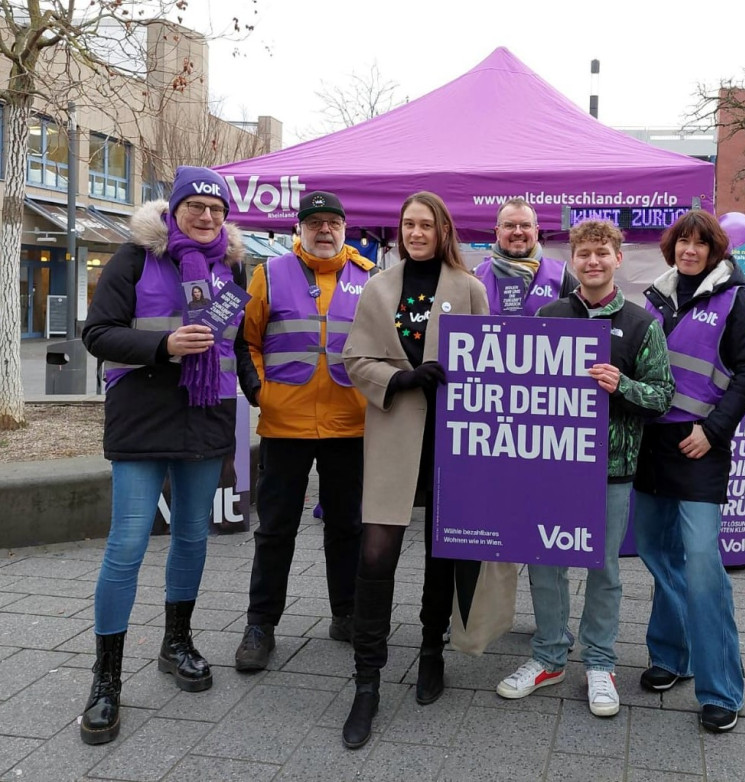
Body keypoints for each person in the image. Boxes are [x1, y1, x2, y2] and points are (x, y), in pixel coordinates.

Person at [80, 166, 246, 744]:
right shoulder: (134, 258)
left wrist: (265, 392)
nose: (206, 217)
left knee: (194, 536)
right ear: (173, 210)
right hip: (143, 418)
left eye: (216, 209)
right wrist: (163, 346)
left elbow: (239, 344)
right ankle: (106, 679)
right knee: (127, 544)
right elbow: (98, 334)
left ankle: (177, 643)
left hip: (205, 417)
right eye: (195, 206)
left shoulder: (234, 265)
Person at [496, 219, 672, 718]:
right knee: (545, 561)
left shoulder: (642, 324)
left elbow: (661, 396)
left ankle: (600, 661)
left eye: (602, 253)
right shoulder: (550, 314)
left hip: (612, 469)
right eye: (584, 254)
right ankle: (549, 656)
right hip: (552, 466)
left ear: (618, 258)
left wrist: (624, 387)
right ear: (573, 262)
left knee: (605, 567)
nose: (592, 262)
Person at [339, 192, 490, 749]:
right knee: (376, 550)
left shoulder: (469, 288)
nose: (417, 232)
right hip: (396, 432)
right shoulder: (379, 286)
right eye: (409, 224)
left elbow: (490, 363)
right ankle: (367, 681)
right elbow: (356, 359)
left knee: (442, 549)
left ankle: (432, 650)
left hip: (451, 439)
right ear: (399, 230)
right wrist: (400, 380)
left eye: (426, 224)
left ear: (442, 229)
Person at [632, 210, 745, 734]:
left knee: (704, 567)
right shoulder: (653, 297)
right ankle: (672, 655)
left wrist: (713, 430)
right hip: (653, 444)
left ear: (715, 249)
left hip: (701, 444)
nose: (689, 250)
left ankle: (721, 688)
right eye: (681, 242)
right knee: (656, 551)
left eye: (700, 243)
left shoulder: (735, 298)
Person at [233, 191, 376, 671]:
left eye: (332, 221)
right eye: (314, 222)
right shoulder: (268, 274)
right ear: (300, 229)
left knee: (347, 528)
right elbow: (246, 341)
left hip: (348, 425)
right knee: (275, 529)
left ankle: (347, 613)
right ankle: (260, 624)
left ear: (345, 226)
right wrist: (260, 392)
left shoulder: (368, 278)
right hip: (284, 423)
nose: (324, 230)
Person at [474, 197, 577, 315]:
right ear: (498, 232)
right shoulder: (477, 276)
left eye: (525, 225)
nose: (518, 232)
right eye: (509, 225)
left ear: (536, 232)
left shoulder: (561, 277)